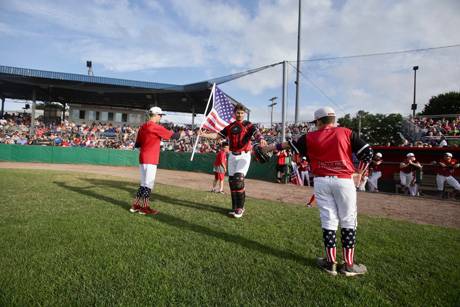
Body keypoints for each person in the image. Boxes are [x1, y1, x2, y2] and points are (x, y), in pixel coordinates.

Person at [261, 106, 373, 276]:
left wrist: (267, 148)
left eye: (316, 122)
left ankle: (331, 263)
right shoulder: (346, 132)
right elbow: (368, 153)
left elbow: (287, 145)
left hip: (321, 181)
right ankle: (349, 265)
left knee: (329, 221)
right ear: (333, 120)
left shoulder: (309, 136)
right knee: (348, 220)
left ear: (319, 121)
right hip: (344, 180)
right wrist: (360, 173)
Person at [199, 103, 266, 218]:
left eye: (242, 113)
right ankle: (235, 207)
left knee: (238, 179)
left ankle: (241, 208)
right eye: (238, 113)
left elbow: (257, 133)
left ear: (244, 114)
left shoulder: (248, 125)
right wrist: (204, 135)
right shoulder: (230, 127)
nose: (240, 115)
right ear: (234, 114)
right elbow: (218, 136)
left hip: (244, 155)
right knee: (232, 183)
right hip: (232, 156)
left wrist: (261, 139)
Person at [129, 106, 183, 215]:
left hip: (143, 157)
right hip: (151, 158)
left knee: (143, 183)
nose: (161, 117)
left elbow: (138, 144)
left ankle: (136, 205)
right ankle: (144, 208)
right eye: (160, 115)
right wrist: (185, 133)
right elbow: (174, 136)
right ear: (156, 115)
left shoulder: (143, 126)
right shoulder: (155, 126)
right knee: (148, 184)